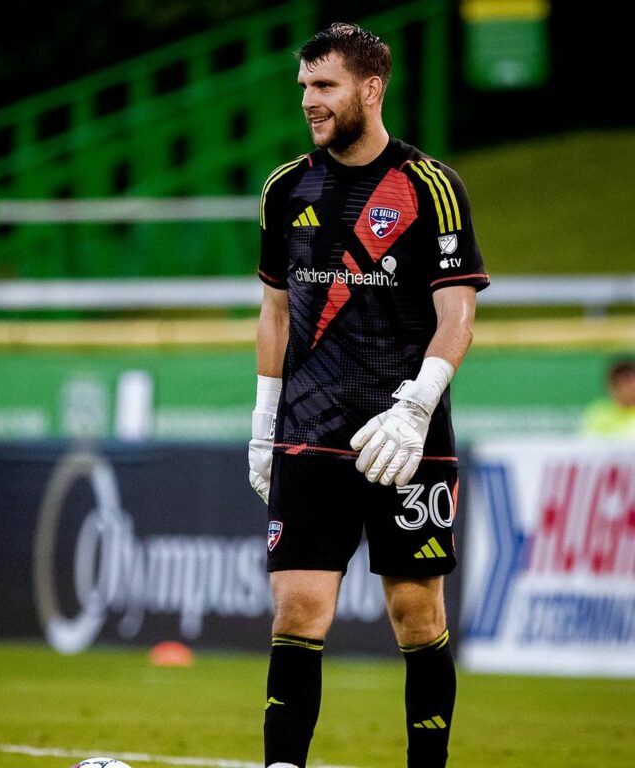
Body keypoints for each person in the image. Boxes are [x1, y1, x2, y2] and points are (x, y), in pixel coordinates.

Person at [248, 23, 489, 768]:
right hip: (308, 427)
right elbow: (275, 310)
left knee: (416, 614)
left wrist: (417, 406)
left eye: (325, 87)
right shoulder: (287, 188)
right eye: (304, 88)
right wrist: (262, 422)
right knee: (297, 607)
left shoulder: (430, 186)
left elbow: (459, 315)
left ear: (371, 88)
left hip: (405, 436)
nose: (310, 103)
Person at [581, 359, 635, 436]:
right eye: (626, 381)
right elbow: (589, 441)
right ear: (613, 386)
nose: (631, 386)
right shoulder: (599, 412)